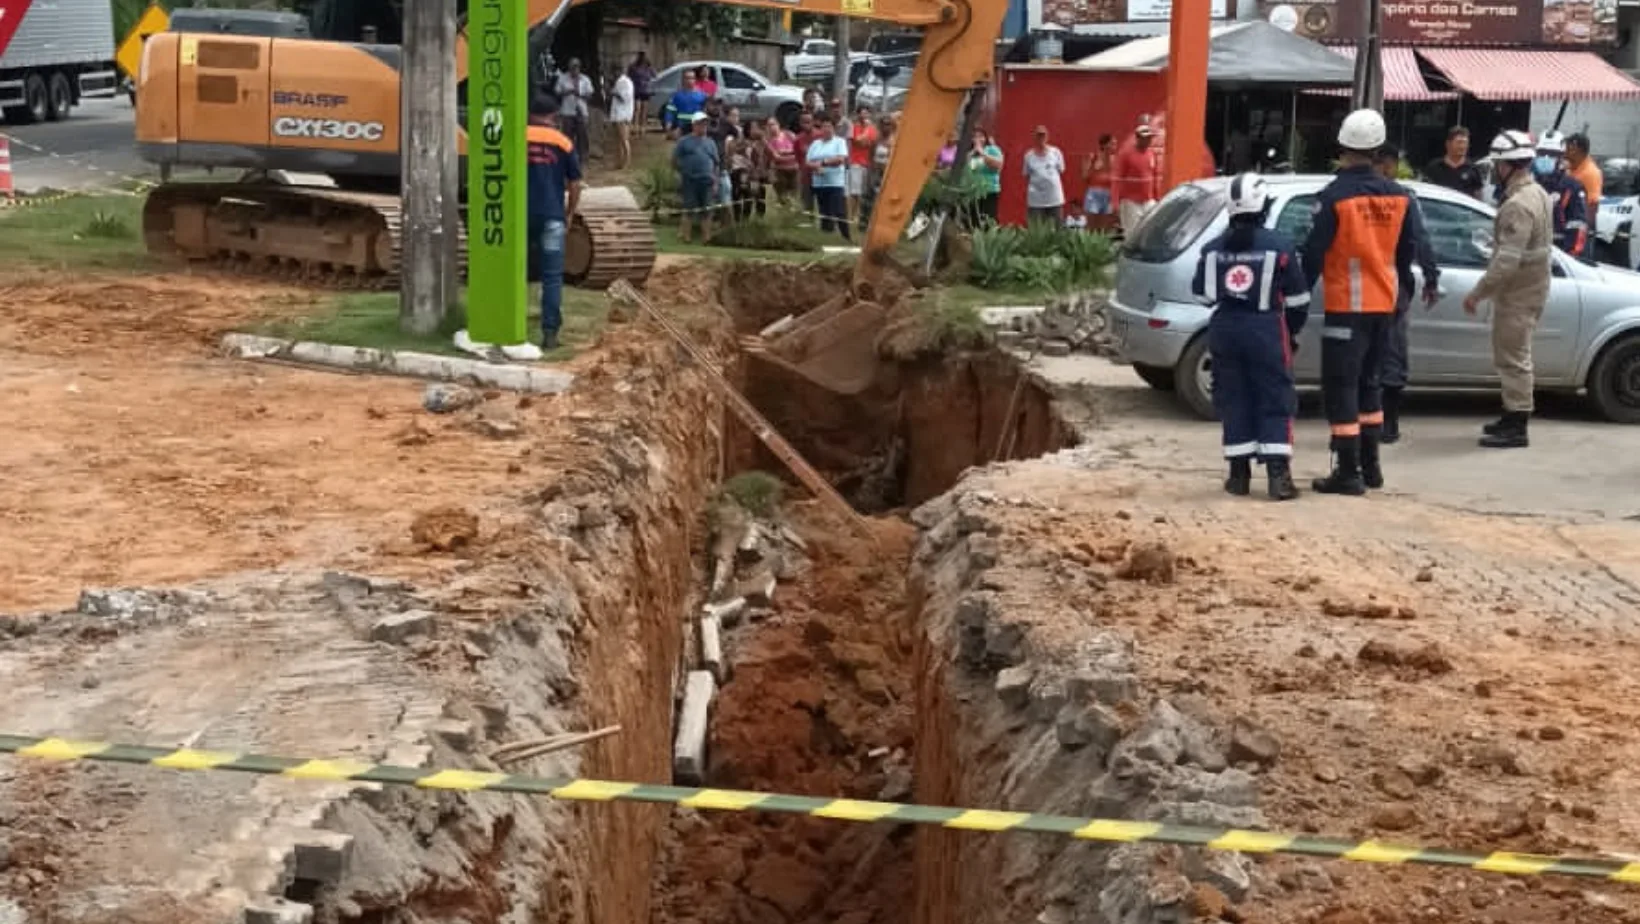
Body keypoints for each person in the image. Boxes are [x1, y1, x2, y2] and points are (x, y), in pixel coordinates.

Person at [1301, 108, 1434, 496]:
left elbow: (1313, 255)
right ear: (1378, 150)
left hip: (1347, 307)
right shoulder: (1401, 197)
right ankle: (1371, 467)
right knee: (1371, 385)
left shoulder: (1334, 197)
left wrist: (1293, 299)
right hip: (1386, 306)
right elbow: (1408, 253)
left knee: (1341, 387)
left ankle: (1347, 471)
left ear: (1342, 146)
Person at [1191, 173, 1311, 500]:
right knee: (1275, 398)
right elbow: (1300, 300)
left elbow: (1202, 294)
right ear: (1263, 206)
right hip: (1266, 329)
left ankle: (1238, 477)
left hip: (1225, 329)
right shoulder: (1281, 247)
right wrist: (1292, 332)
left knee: (1233, 398)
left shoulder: (1213, 249)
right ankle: (1278, 479)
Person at [1464, 130, 1555, 449]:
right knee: (1516, 353)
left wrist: (1478, 292)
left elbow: (1506, 261)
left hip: (1519, 292)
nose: (1495, 172)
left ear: (1509, 166)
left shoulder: (1518, 203)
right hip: (1532, 286)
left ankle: (1517, 424)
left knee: (1513, 357)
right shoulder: (1538, 193)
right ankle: (1512, 414)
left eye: (1499, 165)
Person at [1372, 145, 1440, 445]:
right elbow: (1420, 239)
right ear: (1389, 164)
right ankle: (1389, 424)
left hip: (1356, 285)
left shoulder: (1350, 193)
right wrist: (1431, 277)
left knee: (1364, 354)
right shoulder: (1402, 198)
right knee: (1393, 351)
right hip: (1392, 283)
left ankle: (1364, 421)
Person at [526, 94, 582, 352]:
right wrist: (569, 213)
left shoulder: (516, 136)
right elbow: (575, 183)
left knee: (514, 272)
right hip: (551, 216)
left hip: (518, 217)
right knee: (551, 277)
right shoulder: (563, 142)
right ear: (553, 116)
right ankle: (549, 333)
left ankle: (508, 327)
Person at [1532, 131, 1589, 260]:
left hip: (1559, 256)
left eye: (1552, 154)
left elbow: (1578, 227)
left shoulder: (1572, 187)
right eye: (1542, 153)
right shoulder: (1526, 183)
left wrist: (1570, 259)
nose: (1546, 158)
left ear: (1561, 157)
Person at [673, 112, 720, 244]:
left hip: (707, 180)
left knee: (707, 209)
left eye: (705, 123)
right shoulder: (684, 141)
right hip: (690, 180)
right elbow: (674, 160)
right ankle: (686, 237)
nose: (703, 126)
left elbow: (716, 163)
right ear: (694, 125)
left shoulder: (711, 143)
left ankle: (706, 238)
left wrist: (715, 181)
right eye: (700, 123)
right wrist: (682, 172)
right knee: (689, 208)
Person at [807, 114, 851, 240]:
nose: (826, 129)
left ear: (834, 128)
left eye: (829, 126)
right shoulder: (816, 144)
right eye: (824, 126)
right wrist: (815, 167)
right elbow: (808, 161)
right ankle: (827, 236)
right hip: (819, 183)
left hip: (835, 183)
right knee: (824, 212)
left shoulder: (839, 142)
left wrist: (823, 163)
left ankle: (846, 236)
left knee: (839, 211)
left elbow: (840, 159)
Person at [1114, 124, 1159, 234]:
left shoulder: (1151, 153)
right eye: (1145, 138)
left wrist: (1157, 197)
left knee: (1151, 229)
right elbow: (1117, 179)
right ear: (1138, 137)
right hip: (1130, 201)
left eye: (1150, 138)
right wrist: (1115, 202)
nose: (1148, 140)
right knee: (1132, 233)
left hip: (1148, 200)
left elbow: (1154, 176)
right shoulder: (1125, 154)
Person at [1421, 127, 1484, 200]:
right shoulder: (1434, 167)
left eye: (1465, 143)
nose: (1462, 146)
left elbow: (1478, 197)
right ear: (1448, 144)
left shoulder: (1473, 169)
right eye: (1459, 142)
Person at [1022, 125, 1066, 226]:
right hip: (1036, 201)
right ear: (1034, 137)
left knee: (1057, 228)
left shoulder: (1056, 152)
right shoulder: (1028, 156)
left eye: (1043, 135)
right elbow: (1027, 175)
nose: (1041, 138)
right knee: (1036, 230)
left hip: (1054, 199)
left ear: (1047, 137)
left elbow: (1061, 170)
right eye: (1038, 135)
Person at [554, 59, 593, 159]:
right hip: (567, 112)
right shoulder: (563, 78)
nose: (574, 70)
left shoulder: (585, 79)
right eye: (572, 68)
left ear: (579, 68)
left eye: (576, 68)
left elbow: (590, 95)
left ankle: (582, 157)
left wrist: (580, 94)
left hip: (582, 111)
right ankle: (567, 157)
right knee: (567, 136)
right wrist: (567, 92)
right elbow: (557, 93)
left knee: (582, 135)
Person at [846, 105, 879, 223]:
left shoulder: (873, 129)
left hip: (867, 164)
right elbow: (858, 141)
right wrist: (866, 131)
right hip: (855, 161)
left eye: (866, 113)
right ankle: (851, 216)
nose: (864, 115)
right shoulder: (854, 127)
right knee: (854, 191)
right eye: (862, 113)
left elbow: (873, 143)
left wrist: (866, 137)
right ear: (858, 114)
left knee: (863, 192)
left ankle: (859, 216)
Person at [967, 128, 1004, 225]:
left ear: (985, 138)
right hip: (973, 193)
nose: (978, 139)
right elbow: (963, 168)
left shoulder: (992, 149)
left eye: (981, 136)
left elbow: (998, 165)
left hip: (989, 191)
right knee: (974, 222)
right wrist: (972, 153)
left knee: (989, 220)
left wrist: (982, 153)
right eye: (975, 137)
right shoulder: (970, 152)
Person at [1566, 133, 1602, 219]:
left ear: (1579, 151)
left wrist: (1585, 230)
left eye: (1569, 149)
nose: (1565, 153)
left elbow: (1592, 207)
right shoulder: (1570, 166)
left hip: (1577, 221)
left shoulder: (1591, 173)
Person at [766, 116, 799, 207]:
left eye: (773, 124)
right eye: (769, 126)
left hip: (794, 169)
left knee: (794, 195)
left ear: (778, 124)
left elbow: (798, 151)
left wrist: (784, 152)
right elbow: (776, 157)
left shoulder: (789, 135)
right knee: (783, 196)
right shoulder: (769, 141)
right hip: (780, 171)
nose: (772, 127)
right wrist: (791, 154)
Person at [663, 70, 706, 138]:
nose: (689, 80)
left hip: (696, 128)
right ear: (683, 80)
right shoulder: (676, 96)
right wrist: (668, 124)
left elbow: (705, 112)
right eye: (687, 78)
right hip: (681, 128)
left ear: (695, 80)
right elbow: (670, 111)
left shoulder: (702, 95)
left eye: (692, 78)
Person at [607, 65, 634, 170]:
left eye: (614, 73)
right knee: (617, 140)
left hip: (623, 114)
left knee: (624, 139)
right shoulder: (618, 82)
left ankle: (627, 161)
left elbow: (625, 98)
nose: (613, 75)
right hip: (617, 114)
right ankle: (619, 162)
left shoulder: (625, 82)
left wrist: (614, 93)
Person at [1083, 134, 1116, 216]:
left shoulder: (1115, 159)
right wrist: (1092, 166)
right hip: (1094, 193)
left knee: (1106, 222)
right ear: (1104, 145)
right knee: (1093, 223)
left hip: (1109, 193)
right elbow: (1085, 177)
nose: (1115, 146)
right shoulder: (1093, 157)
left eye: (1115, 144)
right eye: (1112, 144)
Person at [794, 111, 818, 221]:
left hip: (820, 174)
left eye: (809, 121)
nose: (806, 124)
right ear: (800, 123)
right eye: (804, 122)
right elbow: (798, 158)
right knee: (807, 201)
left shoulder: (820, 135)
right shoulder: (798, 139)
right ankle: (809, 221)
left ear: (813, 122)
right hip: (806, 175)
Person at [627, 52, 656, 134]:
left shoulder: (648, 67)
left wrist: (649, 82)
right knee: (637, 109)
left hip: (645, 91)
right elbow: (629, 76)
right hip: (636, 90)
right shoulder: (633, 67)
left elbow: (654, 76)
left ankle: (642, 127)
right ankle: (635, 127)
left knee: (644, 110)